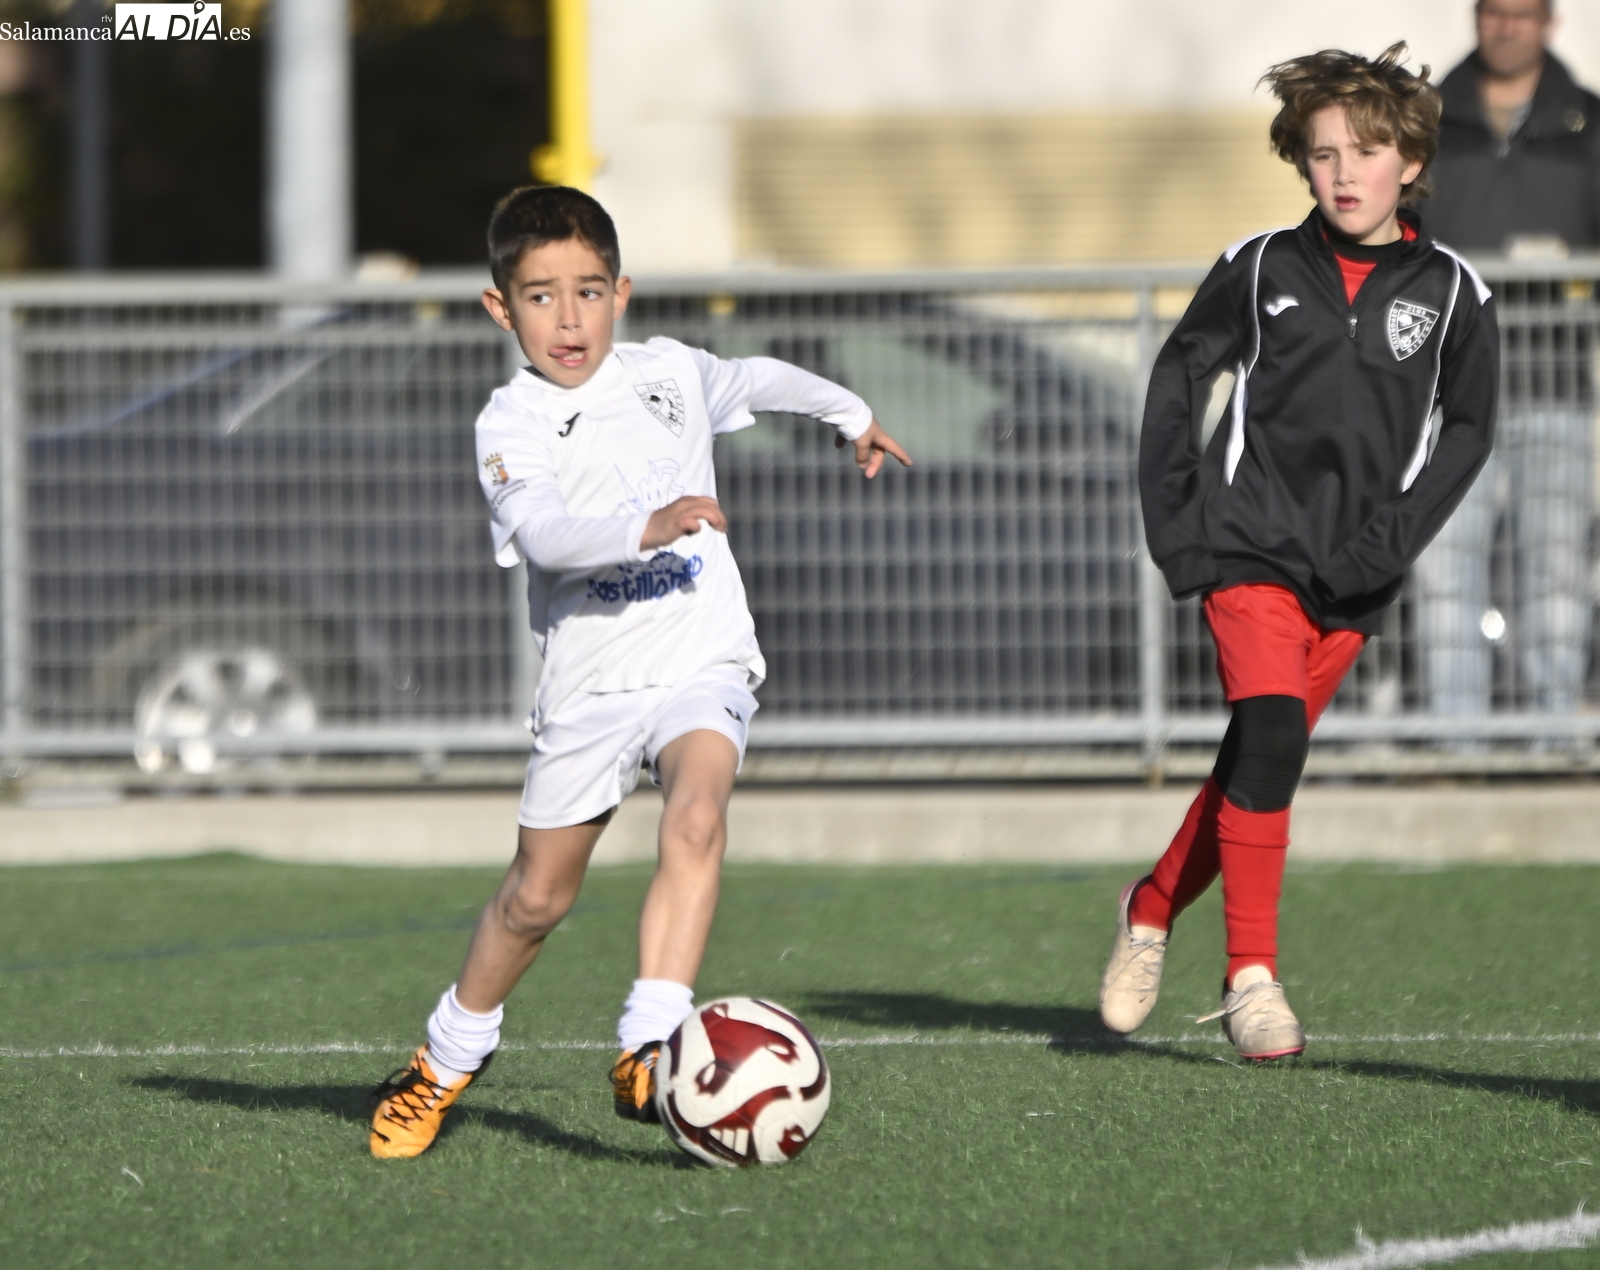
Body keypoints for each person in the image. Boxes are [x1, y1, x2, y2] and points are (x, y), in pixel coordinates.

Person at [368, 185, 911, 1158]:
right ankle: (446, 1059)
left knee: (697, 815)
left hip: (701, 657)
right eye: (540, 297)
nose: (568, 319)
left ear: (620, 293)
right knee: (535, 899)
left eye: (588, 292)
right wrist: (645, 526)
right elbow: (546, 534)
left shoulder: (670, 371)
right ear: (500, 309)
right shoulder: (511, 422)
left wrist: (851, 414)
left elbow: (758, 378)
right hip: (591, 688)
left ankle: (649, 1043)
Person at [1100, 45, 1498, 1060]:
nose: (1344, 173)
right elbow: (1178, 378)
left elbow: (1468, 431)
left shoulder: (1455, 292)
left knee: (1256, 755)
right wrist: (1178, 527)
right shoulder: (1259, 265)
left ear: (1411, 162)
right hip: (1250, 547)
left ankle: (1150, 905)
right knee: (1273, 736)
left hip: (1359, 569)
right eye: (1323, 154)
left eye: (1366, 152)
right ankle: (1251, 979)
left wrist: (1392, 543)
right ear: (1300, 163)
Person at [1413, 0, 1600, 720]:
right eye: (1495, 10)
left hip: (1554, 386)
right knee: (1444, 572)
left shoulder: (1586, 123)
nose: (1507, 25)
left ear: (1549, 22)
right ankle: (1458, 743)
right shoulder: (1427, 121)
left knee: (1554, 572)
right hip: (1446, 391)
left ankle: (1552, 739)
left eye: (1523, 13)